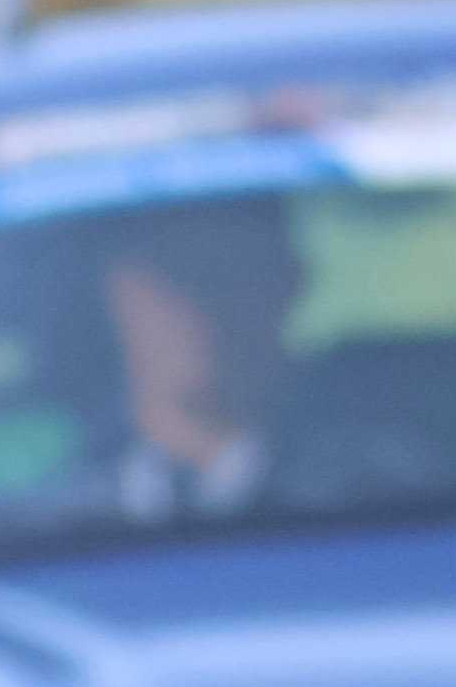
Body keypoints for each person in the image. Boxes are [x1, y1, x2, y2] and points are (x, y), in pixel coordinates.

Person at [89, 187, 304, 522]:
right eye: (176, 276)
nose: (199, 310)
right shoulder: (33, 498)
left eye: (232, 278)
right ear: (119, 295)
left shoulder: (377, 483)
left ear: (285, 283)